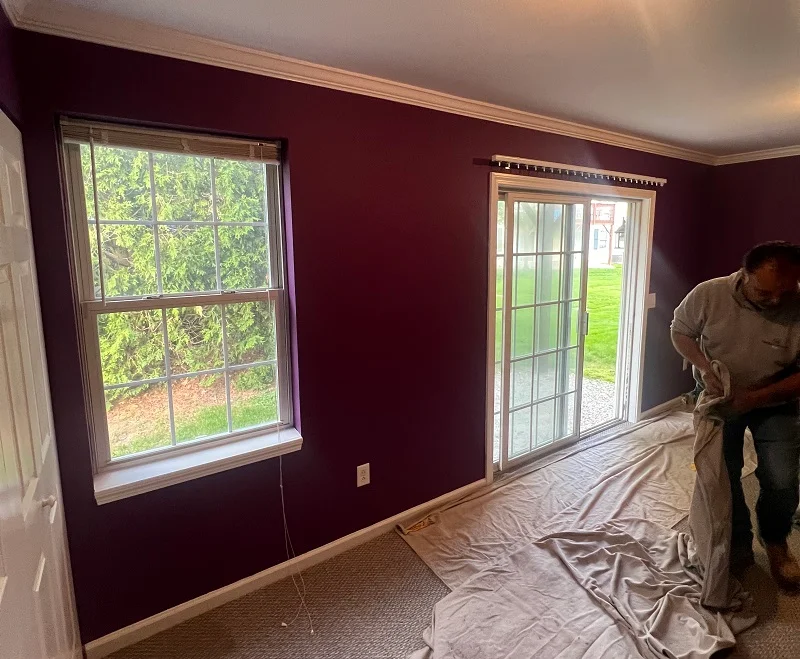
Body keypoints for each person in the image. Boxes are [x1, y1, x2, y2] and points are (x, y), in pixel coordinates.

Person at [671, 241, 800, 591]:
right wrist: (703, 367)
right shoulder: (709, 294)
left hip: (777, 403)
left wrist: (756, 398)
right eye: (765, 291)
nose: (776, 301)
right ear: (744, 274)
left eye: (785, 292)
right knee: (723, 476)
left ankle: (775, 542)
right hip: (721, 400)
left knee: (783, 479)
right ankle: (738, 542)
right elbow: (681, 331)